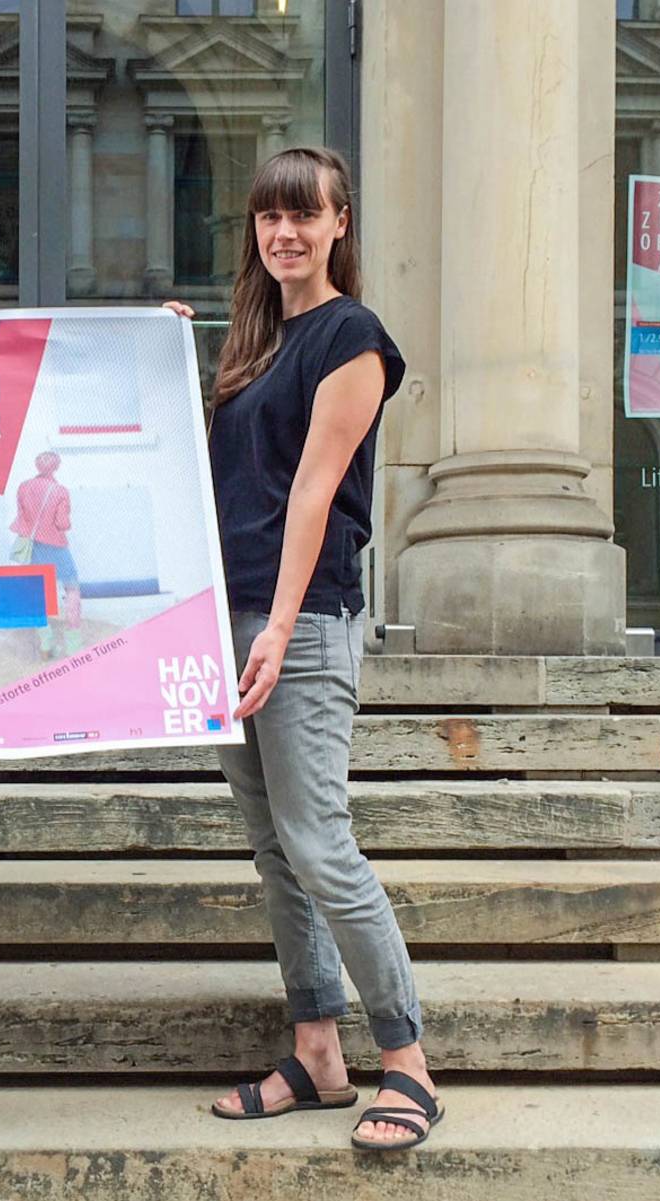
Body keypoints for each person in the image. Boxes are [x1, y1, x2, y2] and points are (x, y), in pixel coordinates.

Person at [166, 146, 440, 1152]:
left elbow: (314, 493)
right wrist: (161, 359)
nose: (284, 232)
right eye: (267, 217)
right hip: (223, 619)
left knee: (320, 839)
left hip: (302, 620)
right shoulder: (253, 347)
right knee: (277, 848)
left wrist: (278, 627)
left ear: (338, 226)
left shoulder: (351, 338)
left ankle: (405, 1061)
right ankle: (317, 1051)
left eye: (303, 215)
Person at [9, 451, 82, 657]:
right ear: (56, 467)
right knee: (72, 588)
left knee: (36, 594)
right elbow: (62, 523)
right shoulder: (60, 491)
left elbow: (22, 518)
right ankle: (74, 644)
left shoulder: (23, 487)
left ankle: (46, 644)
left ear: (37, 466)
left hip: (32, 547)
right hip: (55, 547)